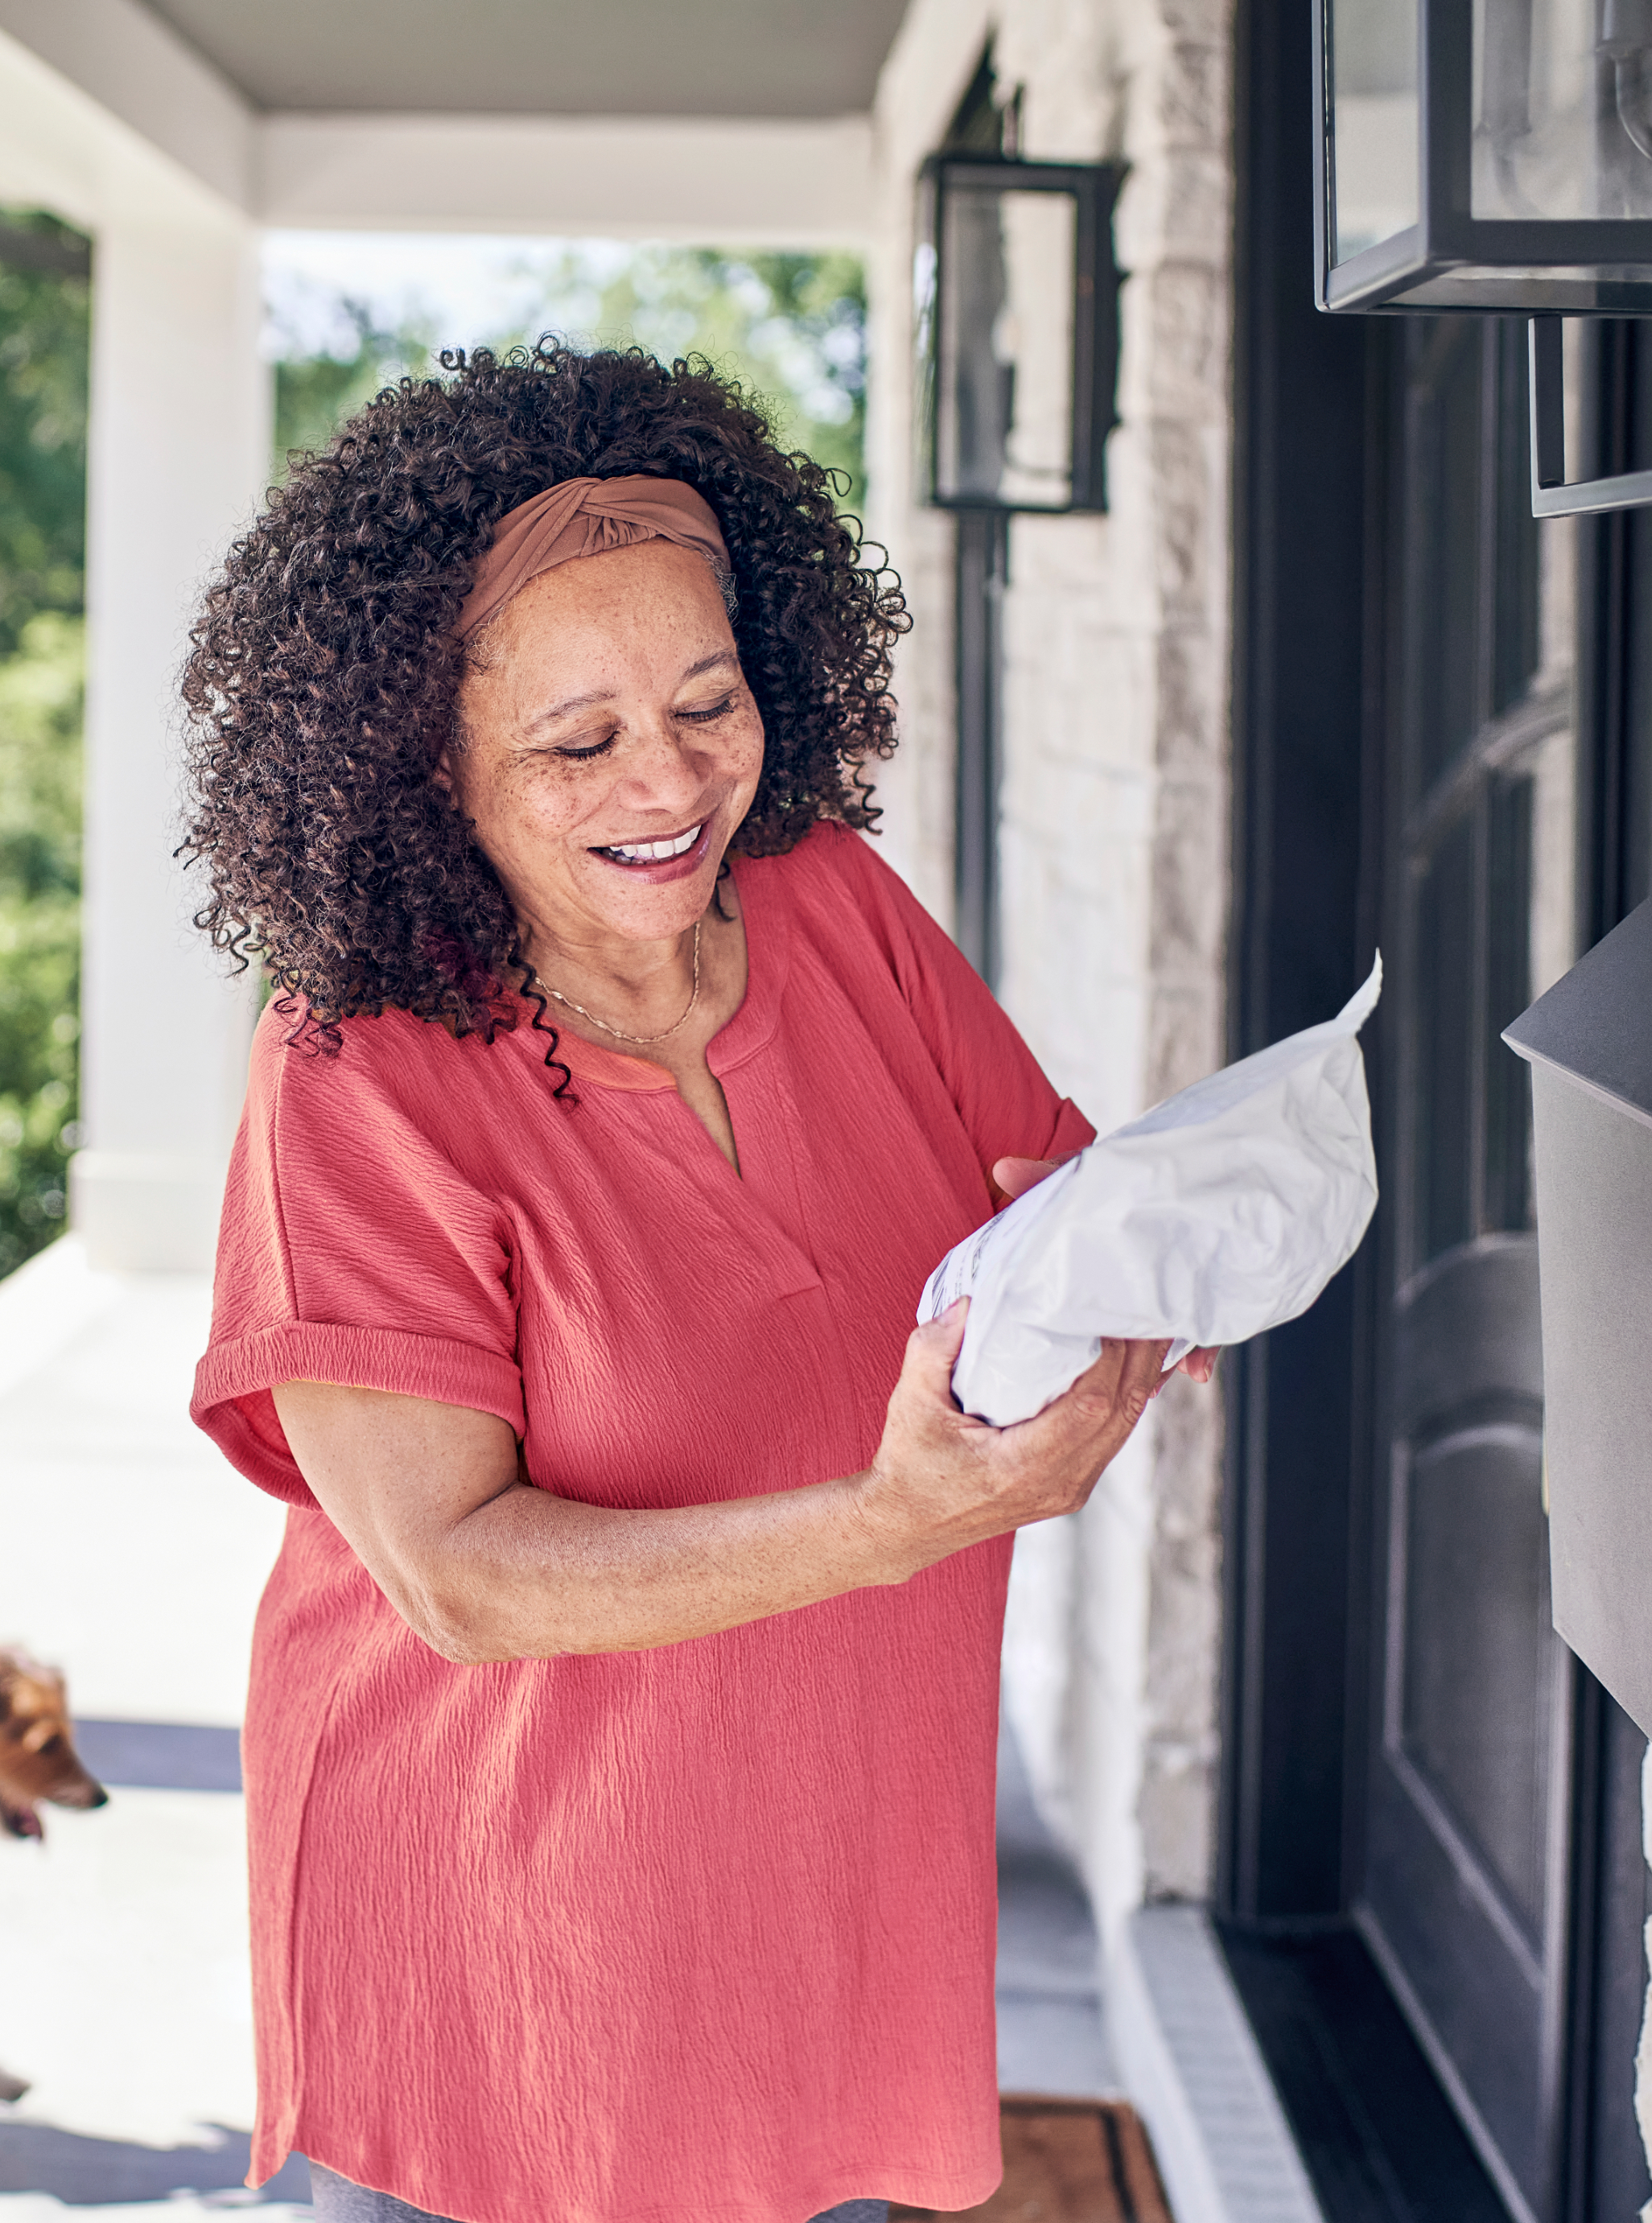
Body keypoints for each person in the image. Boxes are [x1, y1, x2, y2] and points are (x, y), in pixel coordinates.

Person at [180, 345, 1207, 2223]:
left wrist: (1174, 1257)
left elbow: (1043, 1204)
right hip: (499, 1970)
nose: (665, 782)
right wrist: (895, 1518)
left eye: (706, 701)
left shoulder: (834, 903)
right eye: (573, 743)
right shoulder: (356, 1064)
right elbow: (459, 1576)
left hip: (821, 1918)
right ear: (425, 764)